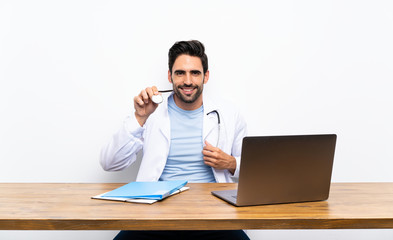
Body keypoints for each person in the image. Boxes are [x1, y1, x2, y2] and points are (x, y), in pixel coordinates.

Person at [100, 40, 249, 240]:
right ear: (170, 76)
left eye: (195, 73)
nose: (188, 81)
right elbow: (110, 163)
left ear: (206, 76)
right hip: (154, 215)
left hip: (215, 215)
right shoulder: (150, 112)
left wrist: (231, 163)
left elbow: (252, 170)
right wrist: (140, 118)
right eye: (180, 73)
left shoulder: (230, 113)